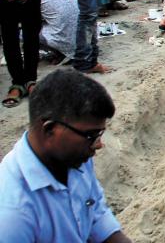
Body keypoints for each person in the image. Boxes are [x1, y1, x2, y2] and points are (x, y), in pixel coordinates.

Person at [0, 69, 132, 242]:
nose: (98, 144)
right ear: (49, 129)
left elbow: (97, 216)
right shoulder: (13, 215)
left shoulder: (74, 158)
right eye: (91, 135)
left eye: (99, 134)